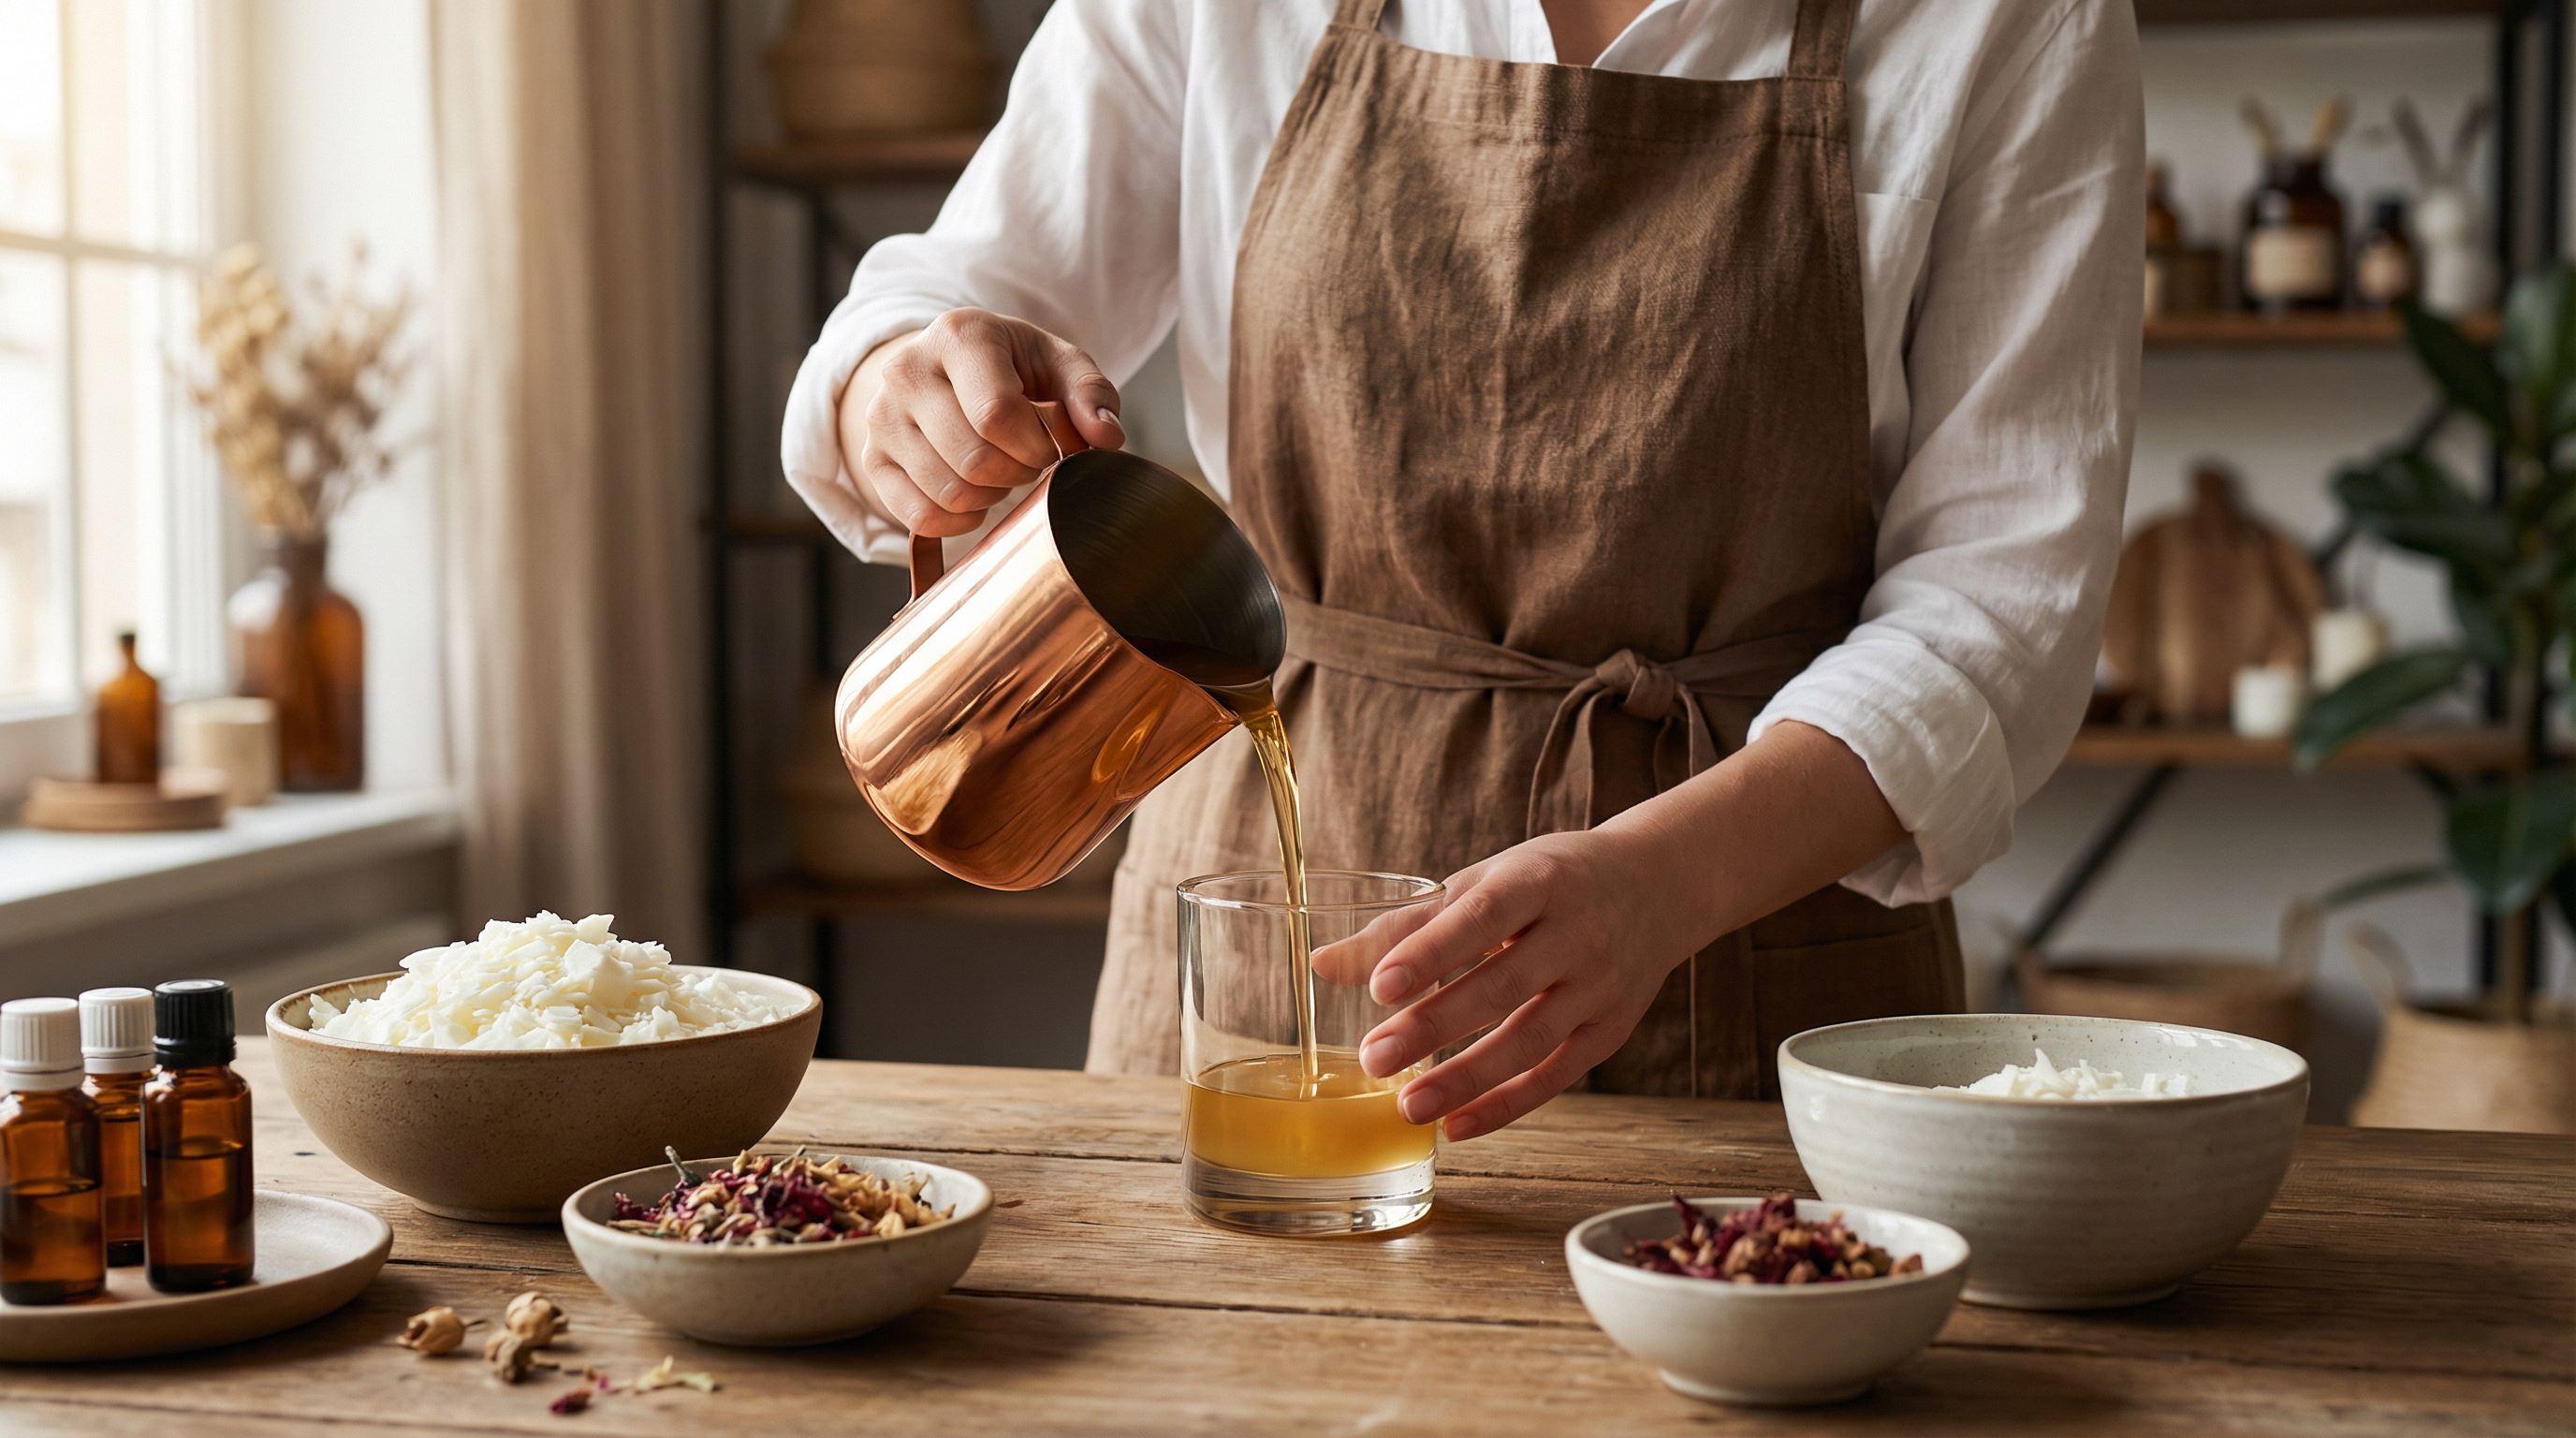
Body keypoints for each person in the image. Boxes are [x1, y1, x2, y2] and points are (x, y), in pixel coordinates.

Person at [783, 0, 2141, 1139]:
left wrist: (1666, 884)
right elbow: (951, 288)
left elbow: (2000, 600)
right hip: (1273, 927)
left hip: (1753, 930)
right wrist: (901, 389)